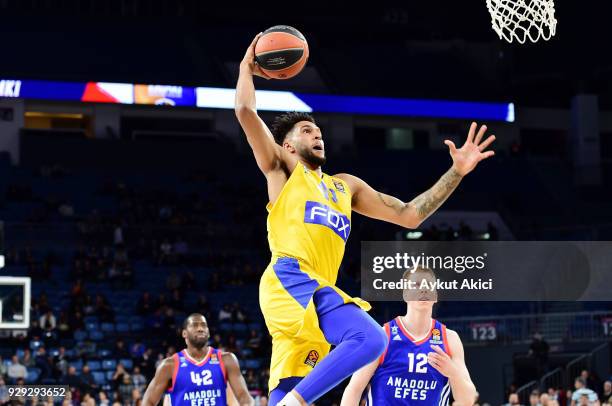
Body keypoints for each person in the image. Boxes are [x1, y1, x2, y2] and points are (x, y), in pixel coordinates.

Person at [235, 34, 496, 406]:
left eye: (319, 131)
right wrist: (247, 68)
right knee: (371, 339)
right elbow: (245, 113)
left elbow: (409, 215)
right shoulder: (282, 172)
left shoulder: (346, 187)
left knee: (285, 385)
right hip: (289, 280)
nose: (317, 134)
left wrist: (456, 172)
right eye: (307, 131)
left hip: (313, 296)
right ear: (288, 146)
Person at [341, 268, 476, 405]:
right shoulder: (384, 335)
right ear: (405, 294)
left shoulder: (450, 339)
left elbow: (467, 400)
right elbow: (354, 389)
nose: (423, 289)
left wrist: (453, 373)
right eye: (416, 285)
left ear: (435, 295)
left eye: (428, 285)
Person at [142, 313, 253, 406]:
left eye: (204, 326)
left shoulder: (226, 360)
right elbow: (148, 401)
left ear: (208, 332)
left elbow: (244, 397)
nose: (200, 328)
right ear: (184, 333)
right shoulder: (169, 365)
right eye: (195, 325)